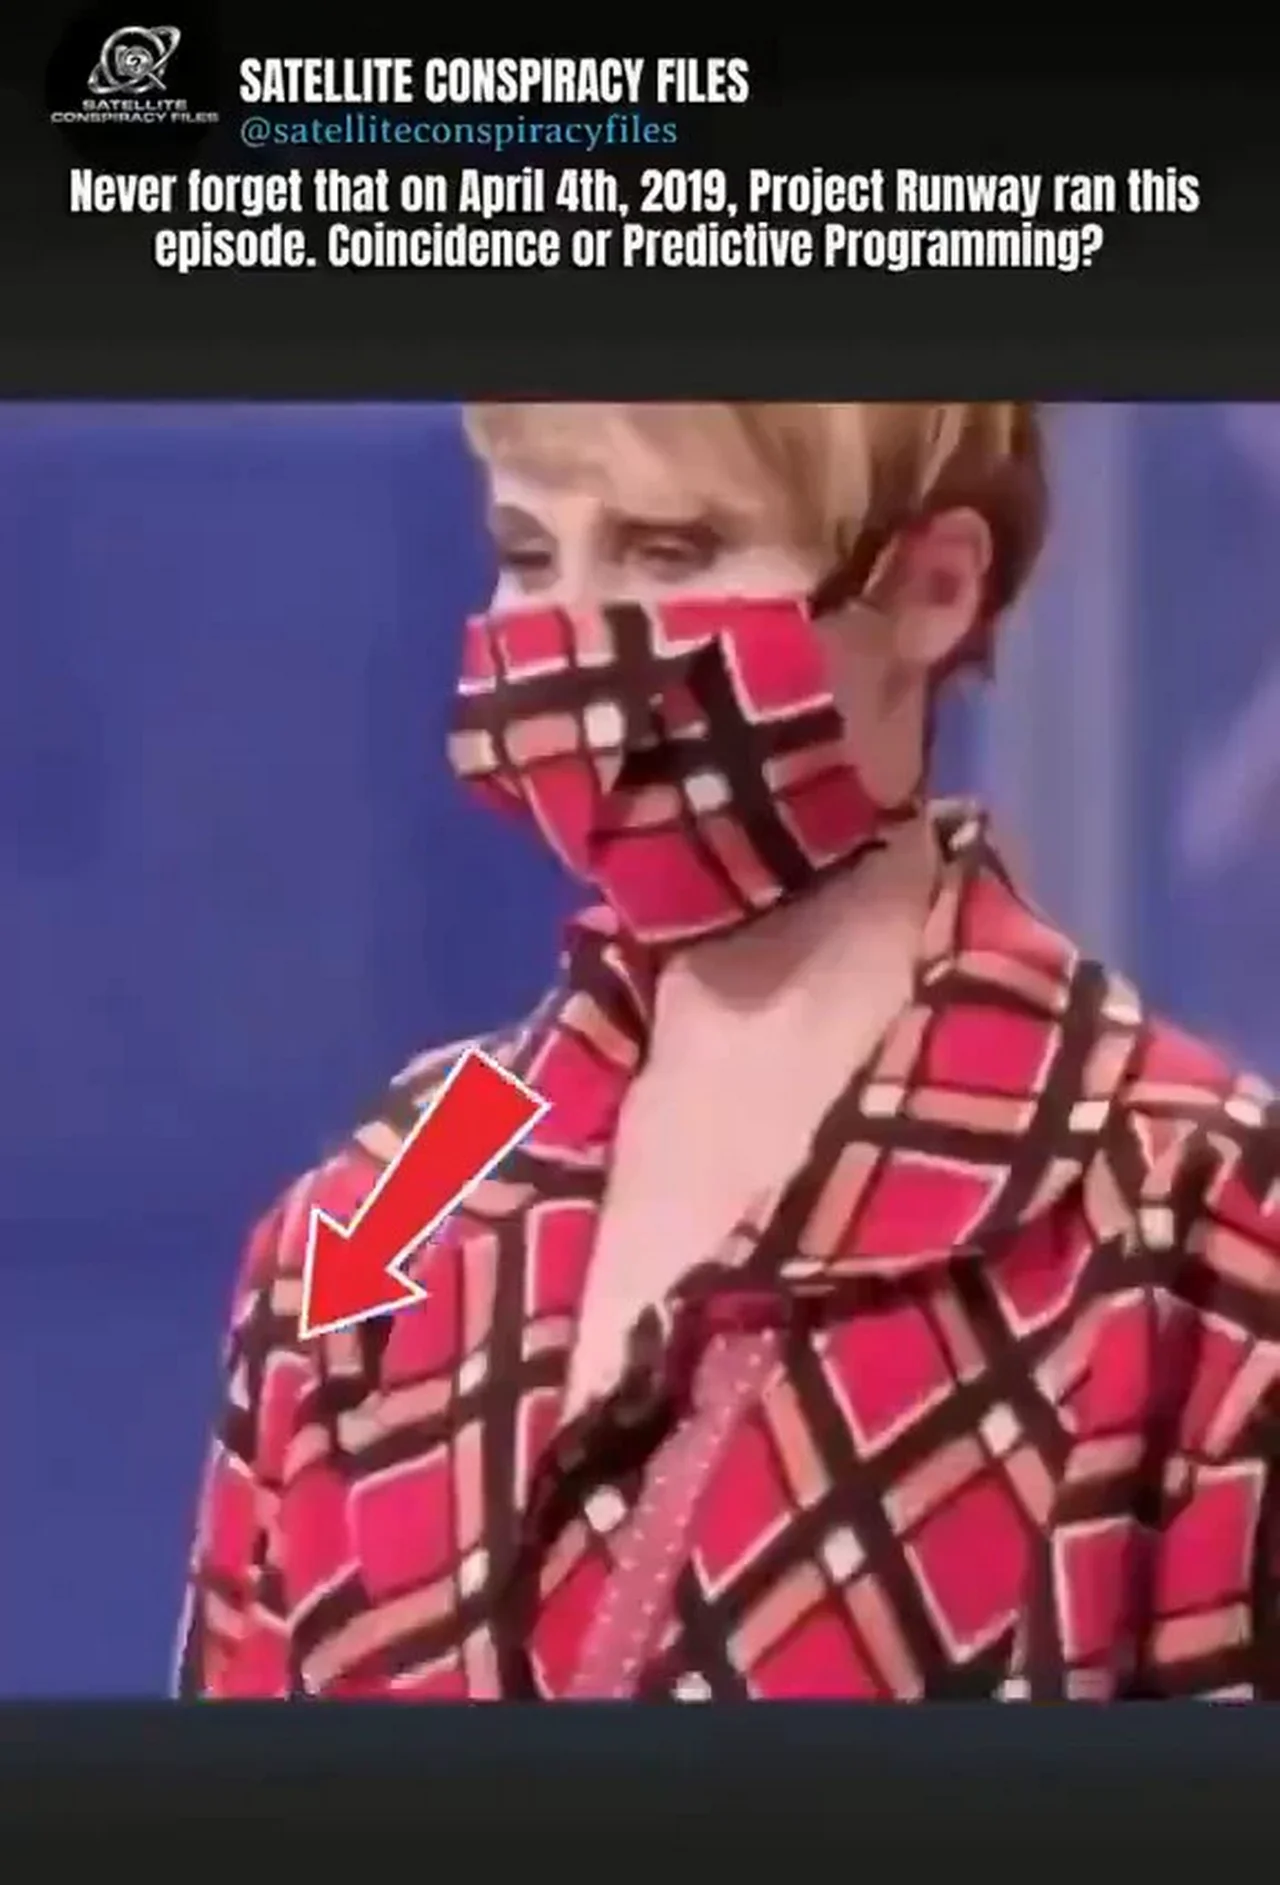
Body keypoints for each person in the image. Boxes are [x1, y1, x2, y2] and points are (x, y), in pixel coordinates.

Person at [177, 402, 1280, 1701]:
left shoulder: (1194, 1229)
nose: (569, 638)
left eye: (667, 551)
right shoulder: (383, 1200)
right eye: (529, 555)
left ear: (933, 590)